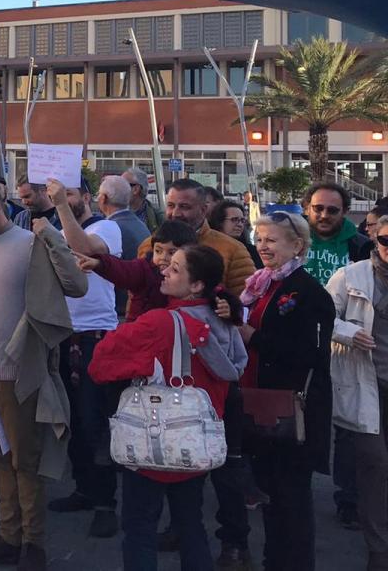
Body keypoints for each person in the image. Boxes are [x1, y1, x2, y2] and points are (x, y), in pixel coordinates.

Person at [88, 245, 247, 571]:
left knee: (140, 528)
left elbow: (100, 365)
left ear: (196, 285)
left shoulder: (159, 323)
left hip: (152, 440)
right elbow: (234, 369)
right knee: (191, 524)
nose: (163, 271)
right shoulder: (225, 321)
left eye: (174, 269)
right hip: (196, 442)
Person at [0, 178, 86, 571]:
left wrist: (53, 238)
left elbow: (77, 284)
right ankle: (7, 536)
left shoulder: (31, 243)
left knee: (25, 462)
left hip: (19, 371)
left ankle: (33, 543)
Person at [222, 211, 334, 571]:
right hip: (260, 405)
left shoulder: (308, 291)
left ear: (297, 245)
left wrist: (253, 337)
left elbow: (310, 354)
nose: (262, 246)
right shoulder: (261, 284)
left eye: (271, 239)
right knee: (271, 497)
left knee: (291, 501)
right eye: (259, 238)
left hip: (291, 411)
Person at [44, 178, 123, 538]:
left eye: (70, 193)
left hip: (95, 336)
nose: (62, 198)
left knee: (95, 421)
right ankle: (84, 488)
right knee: (72, 419)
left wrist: (59, 205)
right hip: (63, 334)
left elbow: (84, 249)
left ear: (88, 197)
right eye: (61, 194)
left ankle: (106, 502)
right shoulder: (58, 229)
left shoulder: (106, 227)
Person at [301, 181, 370, 528]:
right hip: (299, 343)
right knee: (298, 418)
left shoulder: (361, 246)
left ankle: (349, 498)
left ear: (345, 212)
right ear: (307, 209)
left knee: (346, 425)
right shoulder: (293, 239)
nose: (324, 215)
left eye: (332, 209)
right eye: (318, 208)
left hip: (345, 346)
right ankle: (291, 488)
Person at [328, 214, 388, 569]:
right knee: (375, 465)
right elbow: (323, 316)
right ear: (374, 239)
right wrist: (350, 333)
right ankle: (378, 550)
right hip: (368, 386)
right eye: (386, 240)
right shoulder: (351, 276)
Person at [136, 180, 254, 298]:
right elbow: (137, 296)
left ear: (203, 210)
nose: (176, 213)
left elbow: (246, 300)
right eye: (171, 206)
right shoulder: (149, 245)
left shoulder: (233, 250)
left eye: (184, 207)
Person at [211, 199, 262, 270]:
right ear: (220, 222)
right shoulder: (209, 248)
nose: (240, 224)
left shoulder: (252, 251)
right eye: (234, 220)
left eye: (242, 220)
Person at [122, 167, 164, 233]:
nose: (118, 188)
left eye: (122, 185)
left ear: (136, 189)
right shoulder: (111, 213)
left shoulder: (158, 217)